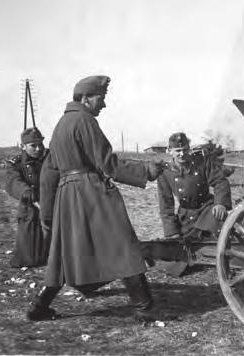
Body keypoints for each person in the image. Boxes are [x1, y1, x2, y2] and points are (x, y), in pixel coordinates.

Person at [26, 75, 163, 322]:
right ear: (86, 98)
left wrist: (48, 214)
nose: (104, 105)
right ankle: (145, 310)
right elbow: (108, 164)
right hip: (90, 193)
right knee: (122, 245)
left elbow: (48, 174)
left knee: (63, 256)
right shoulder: (85, 120)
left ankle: (39, 307)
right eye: (102, 98)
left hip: (67, 198)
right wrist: (147, 172)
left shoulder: (60, 126)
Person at [157, 132, 232, 240]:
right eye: (178, 151)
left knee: (218, 236)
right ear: (170, 150)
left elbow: (220, 181)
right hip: (185, 217)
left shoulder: (202, 162)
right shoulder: (165, 172)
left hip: (207, 210)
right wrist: (171, 232)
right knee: (183, 245)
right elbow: (166, 205)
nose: (182, 154)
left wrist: (220, 204)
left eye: (185, 149)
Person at [5, 127, 50, 268]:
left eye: (40, 144)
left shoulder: (50, 158)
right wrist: (27, 193)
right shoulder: (16, 163)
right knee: (30, 258)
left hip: (50, 204)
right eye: (33, 146)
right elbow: (13, 182)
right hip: (29, 208)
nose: (38, 149)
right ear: (23, 146)